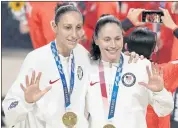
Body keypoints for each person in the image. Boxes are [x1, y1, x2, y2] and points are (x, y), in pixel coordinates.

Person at [2, 3, 90, 128]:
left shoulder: (84, 56)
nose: (74, 34)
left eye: (78, 27)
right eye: (67, 27)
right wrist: (26, 101)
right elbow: (9, 109)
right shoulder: (36, 59)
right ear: (54, 26)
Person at [86, 14, 174, 128]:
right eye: (107, 39)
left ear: (123, 40)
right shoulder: (86, 68)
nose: (113, 45)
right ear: (96, 40)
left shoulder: (141, 66)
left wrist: (159, 91)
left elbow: (164, 110)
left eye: (117, 39)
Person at [125, 27, 178, 128]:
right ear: (155, 49)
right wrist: (174, 27)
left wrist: (127, 23)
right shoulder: (163, 73)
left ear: (126, 46)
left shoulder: (115, 71)